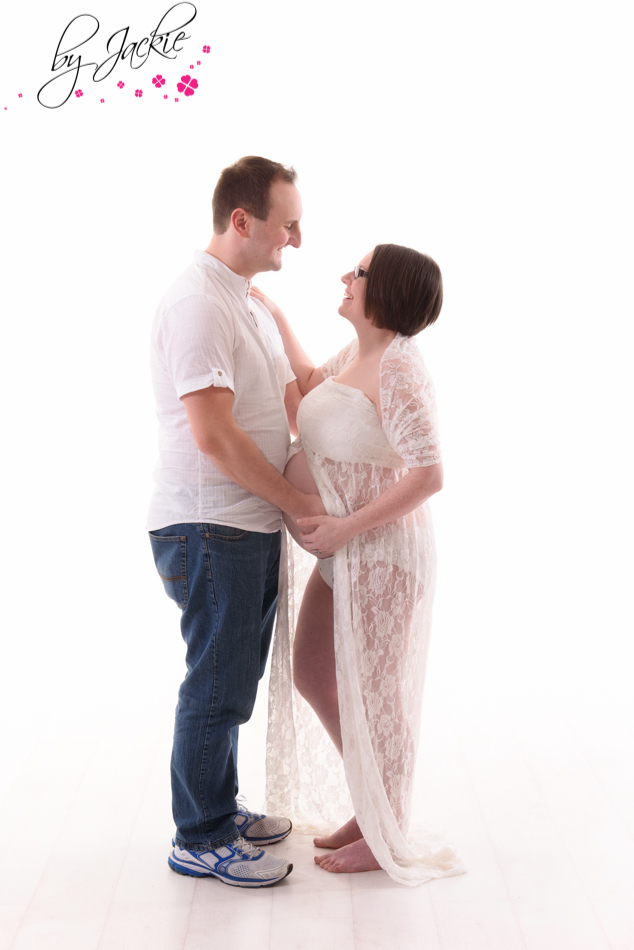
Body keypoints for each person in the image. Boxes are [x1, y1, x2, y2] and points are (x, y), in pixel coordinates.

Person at [256, 244, 467, 885]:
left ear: (387, 292)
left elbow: (429, 474)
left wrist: (345, 526)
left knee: (378, 699)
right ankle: (374, 804)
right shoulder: (359, 354)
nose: (346, 277)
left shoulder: (399, 364)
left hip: (381, 554)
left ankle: (386, 831)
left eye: (360, 271)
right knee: (314, 672)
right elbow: (305, 400)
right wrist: (272, 313)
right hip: (345, 555)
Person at [146, 156, 326, 888]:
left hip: (243, 525)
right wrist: (298, 503)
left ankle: (215, 807)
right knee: (216, 684)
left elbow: (298, 398)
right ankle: (199, 835)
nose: (298, 239)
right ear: (242, 221)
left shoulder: (246, 300)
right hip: (207, 525)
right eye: (288, 224)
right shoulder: (200, 302)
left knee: (235, 679)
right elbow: (214, 437)